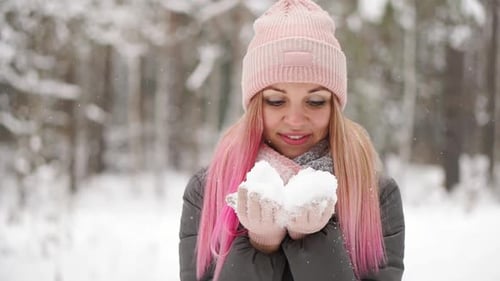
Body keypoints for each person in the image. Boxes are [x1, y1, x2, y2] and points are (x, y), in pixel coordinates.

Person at [178, 0, 405, 280]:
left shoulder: (374, 193)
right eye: (275, 100)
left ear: (334, 105)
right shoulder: (209, 189)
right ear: (254, 106)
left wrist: (313, 241)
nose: (295, 119)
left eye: (315, 101)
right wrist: (260, 245)